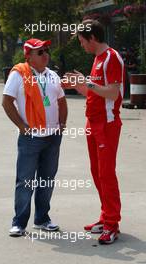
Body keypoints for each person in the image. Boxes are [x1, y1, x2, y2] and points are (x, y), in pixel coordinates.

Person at [62, 19, 125, 245]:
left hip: (107, 125)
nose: (82, 46)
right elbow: (95, 91)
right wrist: (76, 86)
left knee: (106, 174)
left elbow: (113, 93)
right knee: (97, 172)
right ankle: (105, 216)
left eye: (82, 41)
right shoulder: (98, 59)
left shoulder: (111, 58)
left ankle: (112, 224)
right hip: (93, 122)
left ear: (93, 38)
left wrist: (86, 83)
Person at [2, 38, 68, 237]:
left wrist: (62, 125)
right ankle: (19, 223)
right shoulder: (19, 75)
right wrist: (22, 127)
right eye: (40, 52)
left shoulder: (53, 75)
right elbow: (6, 102)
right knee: (25, 181)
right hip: (31, 138)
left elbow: (61, 101)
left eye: (46, 51)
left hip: (52, 137)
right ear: (29, 56)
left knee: (47, 180)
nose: (46, 55)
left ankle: (42, 219)